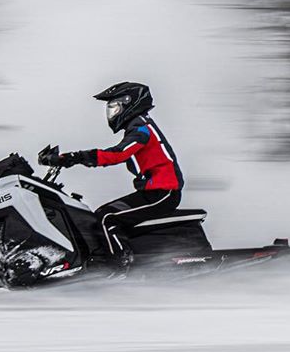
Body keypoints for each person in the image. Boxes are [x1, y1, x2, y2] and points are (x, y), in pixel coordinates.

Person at [38, 81, 183, 264]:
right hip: (153, 192)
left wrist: (74, 157)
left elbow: (117, 155)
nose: (112, 113)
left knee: (107, 218)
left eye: (114, 107)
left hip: (163, 193)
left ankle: (119, 265)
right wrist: (71, 159)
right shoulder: (138, 126)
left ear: (129, 103)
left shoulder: (142, 129)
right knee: (100, 213)